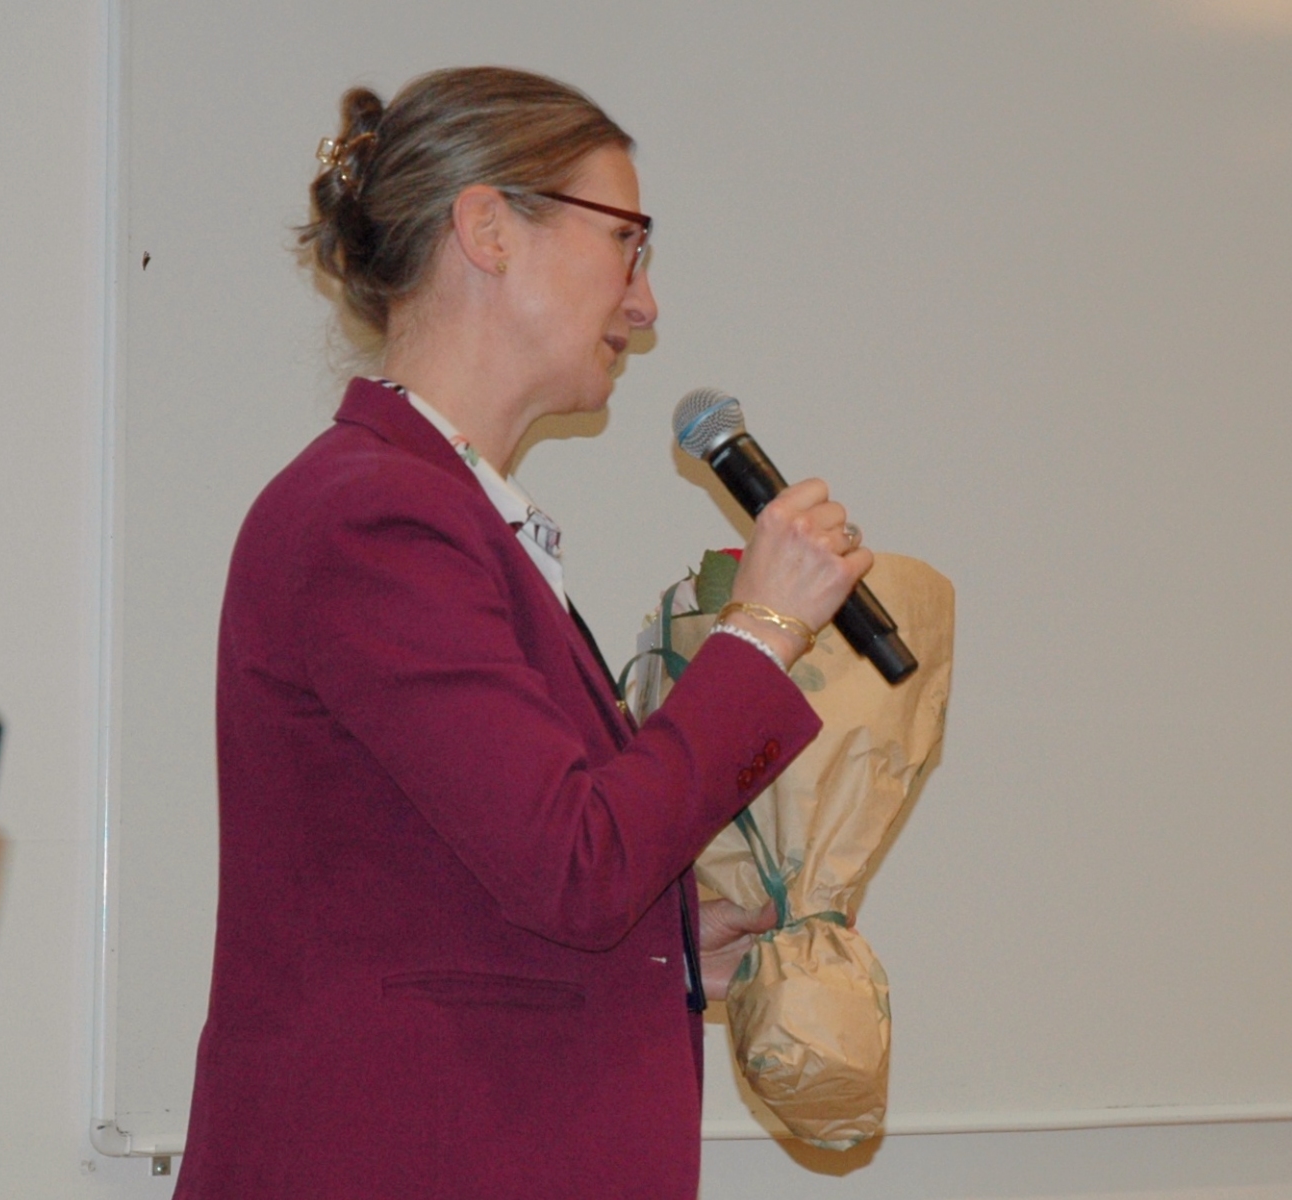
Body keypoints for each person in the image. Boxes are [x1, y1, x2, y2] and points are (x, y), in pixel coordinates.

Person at [172, 67, 871, 1198]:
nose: (646, 307)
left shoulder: (437, 513)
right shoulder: (372, 514)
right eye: (627, 245)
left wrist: (675, 938)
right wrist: (767, 628)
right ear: (488, 228)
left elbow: (489, 876)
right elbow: (575, 865)